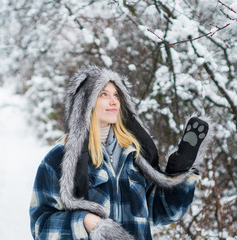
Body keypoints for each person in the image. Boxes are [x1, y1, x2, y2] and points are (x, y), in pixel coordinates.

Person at [29, 65, 211, 240]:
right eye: (104, 94)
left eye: (116, 94)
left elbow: (164, 214)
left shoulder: (134, 156)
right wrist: (83, 223)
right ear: (85, 103)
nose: (114, 100)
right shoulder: (59, 159)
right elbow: (41, 228)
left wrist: (179, 172)